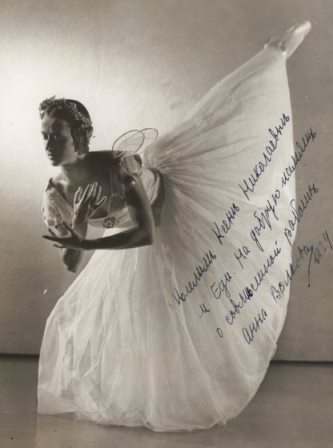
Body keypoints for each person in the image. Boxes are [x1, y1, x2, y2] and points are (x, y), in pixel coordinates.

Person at [39, 22, 311, 431]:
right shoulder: (54, 193)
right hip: (128, 237)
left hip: (174, 201)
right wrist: (78, 232)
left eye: (55, 135)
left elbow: (146, 234)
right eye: (43, 135)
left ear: (78, 135)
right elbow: (71, 263)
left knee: (218, 126)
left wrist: (90, 238)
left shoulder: (117, 165)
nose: (46, 144)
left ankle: (271, 58)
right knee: (146, 314)